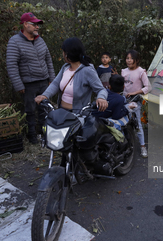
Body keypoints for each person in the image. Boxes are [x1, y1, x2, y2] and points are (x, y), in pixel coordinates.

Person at [6, 12, 55, 144]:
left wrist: (52, 78)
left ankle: (45, 133)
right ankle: (32, 136)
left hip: (44, 81)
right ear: (25, 24)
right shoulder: (14, 42)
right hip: (28, 84)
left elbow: (48, 60)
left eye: (38, 25)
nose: (37, 27)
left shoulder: (40, 40)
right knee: (30, 111)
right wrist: (18, 85)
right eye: (34, 24)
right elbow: (11, 65)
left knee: (45, 109)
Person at [34, 37, 108, 114]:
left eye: (63, 52)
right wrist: (45, 96)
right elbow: (55, 84)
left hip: (79, 116)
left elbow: (101, 89)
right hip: (62, 112)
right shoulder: (65, 67)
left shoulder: (87, 70)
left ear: (67, 54)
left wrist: (101, 98)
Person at [121, 50, 151, 158]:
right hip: (124, 102)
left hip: (135, 101)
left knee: (138, 125)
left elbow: (148, 87)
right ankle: (125, 147)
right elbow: (122, 87)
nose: (128, 61)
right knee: (124, 124)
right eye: (127, 58)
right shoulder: (123, 71)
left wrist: (134, 92)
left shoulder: (141, 71)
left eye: (131, 58)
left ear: (136, 60)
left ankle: (143, 147)